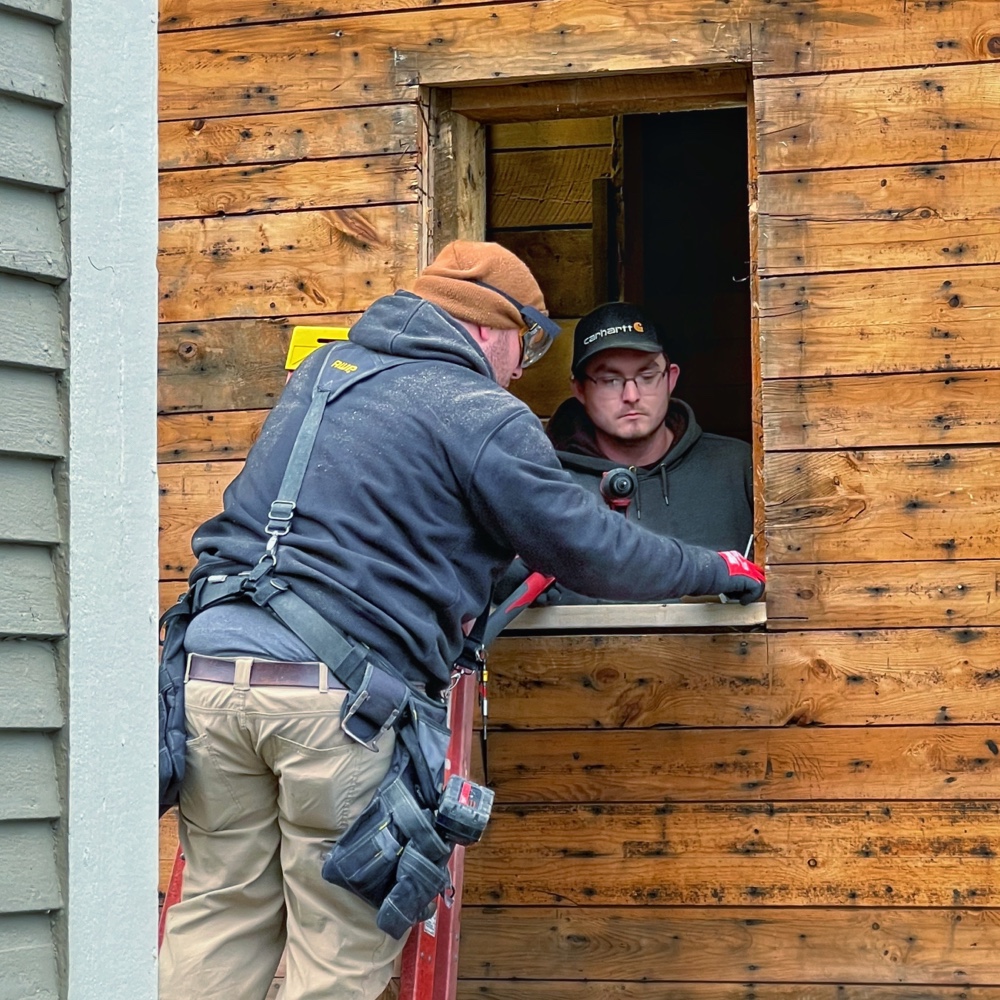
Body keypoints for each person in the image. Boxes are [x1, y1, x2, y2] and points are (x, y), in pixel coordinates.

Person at [158, 241, 765, 1000]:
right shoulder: (480, 410)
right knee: (340, 933)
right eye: (526, 342)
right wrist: (716, 570)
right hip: (332, 700)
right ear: (489, 328)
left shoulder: (324, 377)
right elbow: (590, 550)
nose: (520, 368)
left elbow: (378, 521)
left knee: (220, 910)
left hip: (209, 674)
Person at [520, 301, 753, 605]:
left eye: (646, 376)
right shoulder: (546, 482)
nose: (631, 396)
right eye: (610, 380)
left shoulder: (738, 468)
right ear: (579, 389)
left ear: (670, 378)